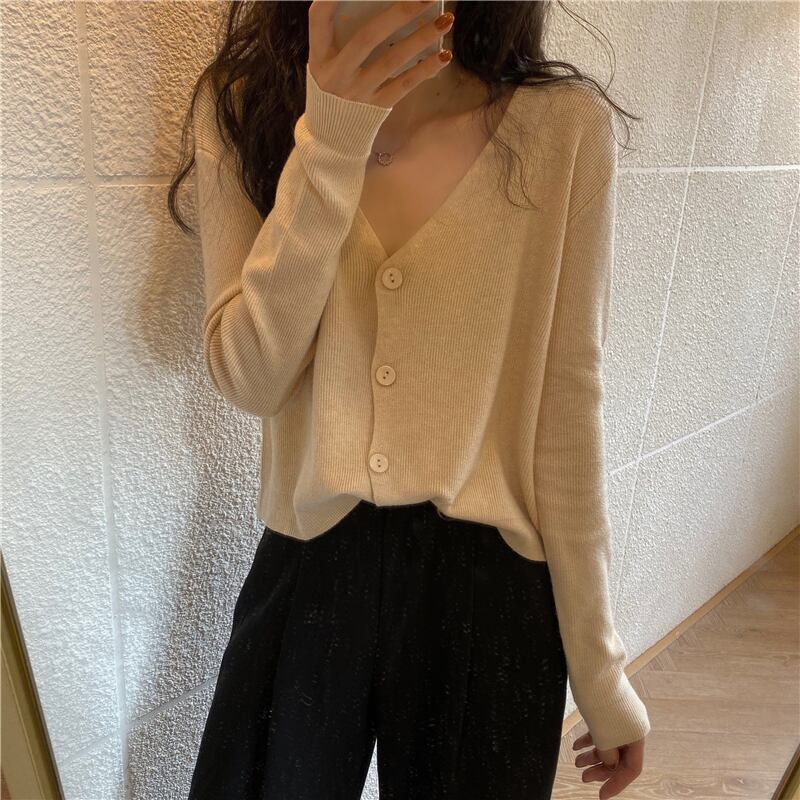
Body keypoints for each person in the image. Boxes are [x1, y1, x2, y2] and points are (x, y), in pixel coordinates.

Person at [168, 1, 650, 798]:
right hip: (311, 557)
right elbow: (251, 377)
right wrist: (331, 140)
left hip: (490, 586)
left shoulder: (561, 129)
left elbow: (567, 409)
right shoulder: (247, 107)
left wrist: (600, 670)